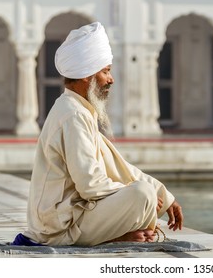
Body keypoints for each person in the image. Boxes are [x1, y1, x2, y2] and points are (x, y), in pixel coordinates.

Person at [18, 21, 183, 246]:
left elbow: (119, 167)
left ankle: (120, 235)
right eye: (105, 71)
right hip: (56, 228)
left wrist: (165, 197)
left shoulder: (78, 109)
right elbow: (90, 184)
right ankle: (118, 237)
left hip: (72, 216)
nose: (111, 79)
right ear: (86, 75)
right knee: (141, 194)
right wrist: (140, 193)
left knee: (143, 192)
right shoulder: (73, 115)